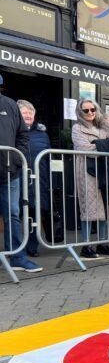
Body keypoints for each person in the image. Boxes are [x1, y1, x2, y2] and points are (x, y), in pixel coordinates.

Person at [72, 99, 109, 259]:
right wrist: (105, 145)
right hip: (87, 171)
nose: (90, 113)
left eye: (92, 109)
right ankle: (86, 245)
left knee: (104, 205)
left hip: (105, 170)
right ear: (80, 112)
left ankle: (102, 243)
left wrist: (100, 144)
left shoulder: (104, 126)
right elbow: (85, 148)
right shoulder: (77, 128)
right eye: (86, 110)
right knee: (88, 208)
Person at [0, 75, 42, 272]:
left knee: (13, 214)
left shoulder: (10, 105)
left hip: (9, 171)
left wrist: (17, 159)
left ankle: (17, 257)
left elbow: (23, 135)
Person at [17, 100, 51, 258]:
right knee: (15, 214)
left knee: (34, 214)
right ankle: (16, 248)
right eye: (24, 112)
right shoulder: (13, 132)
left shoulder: (42, 134)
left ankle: (32, 247)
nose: (28, 114)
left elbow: (49, 159)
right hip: (17, 179)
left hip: (39, 180)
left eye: (31, 111)